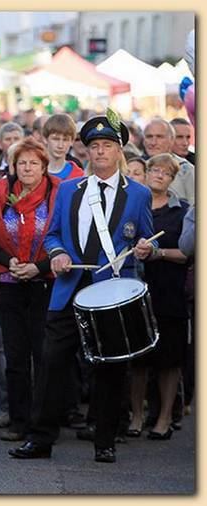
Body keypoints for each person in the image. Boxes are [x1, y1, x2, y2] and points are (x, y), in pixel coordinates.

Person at [9, 114, 155, 464]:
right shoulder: (70, 191)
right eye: (94, 146)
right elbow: (54, 234)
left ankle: (105, 440)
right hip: (68, 290)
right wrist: (57, 254)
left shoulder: (138, 193)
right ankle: (40, 438)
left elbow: (147, 239)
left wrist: (148, 248)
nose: (100, 151)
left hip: (111, 293)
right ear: (86, 151)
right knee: (52, 364)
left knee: (109, 369)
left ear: (119, 150)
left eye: (107, 145)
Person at [0, 138, 60, 441]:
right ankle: (19, 421)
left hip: (45, 284)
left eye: (33, 163)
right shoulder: (1, 194)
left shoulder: (57, 194)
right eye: (22, 163)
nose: (27, 168)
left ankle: (44, 423)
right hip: (9, 284)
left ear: (44, 167)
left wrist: (38, 267)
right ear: (14, 166)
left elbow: (68, 239)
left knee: (44, 356)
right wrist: (8, 260)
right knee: (15, 356)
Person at [127, 154, 190, 441]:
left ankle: (164, 417)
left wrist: (158, 253)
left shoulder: (182, 211)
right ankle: (137, 415)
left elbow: (188, 252)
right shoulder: (132, 205)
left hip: (169, 291)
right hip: (136, 291)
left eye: (167, 172)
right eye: (154, 169)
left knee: (169, 359)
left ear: (173, 179)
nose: (159, 175)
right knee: (138, 357)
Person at [143, 119, 194, 205]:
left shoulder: (186, 169)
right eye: (149, 137)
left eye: (159, 137)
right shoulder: (137, 167)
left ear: (172, 140)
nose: (153, 142)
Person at [42, 114, 84, 181]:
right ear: (45, 139)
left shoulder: (78, 175)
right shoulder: (34, 172)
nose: (60, 145)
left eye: (65, 140)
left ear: (72, 142)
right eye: (55, 139)